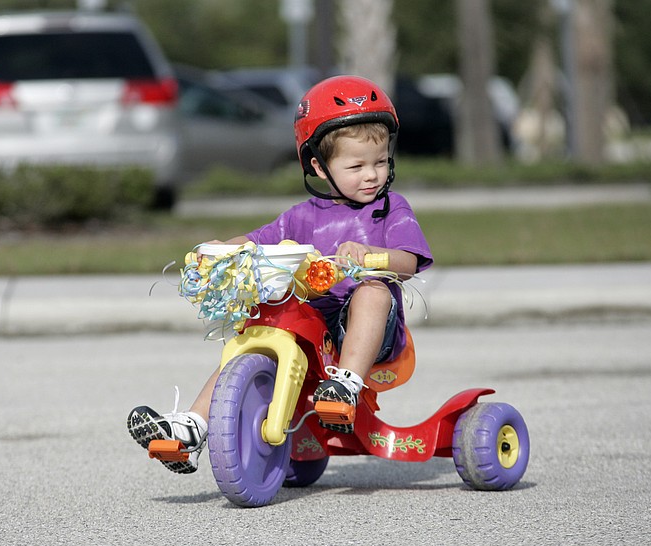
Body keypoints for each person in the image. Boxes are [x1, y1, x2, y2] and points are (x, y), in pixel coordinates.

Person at [127, 75, 433, 474]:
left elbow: (410, 261)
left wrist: (373, 256)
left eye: (379, 162)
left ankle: (347, 387)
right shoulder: (302, 217)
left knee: (371, 291)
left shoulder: (390, 209)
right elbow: (257, 241)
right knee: (254, 334)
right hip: (311, 328)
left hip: (368, 333)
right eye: (356, 165)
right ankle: (191, 428)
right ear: (320, 167)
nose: (371, 175)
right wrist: (223, 249)